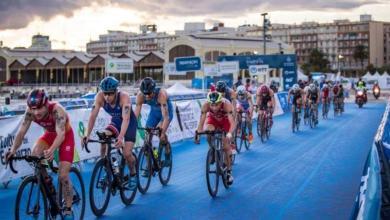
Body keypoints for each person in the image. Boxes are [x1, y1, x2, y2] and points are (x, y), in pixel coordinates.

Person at [6, 89, 77, 219]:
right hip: (50, 135)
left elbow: (61, 135)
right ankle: (49, 185)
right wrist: (12, 150)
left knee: (63, 175)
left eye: (39, 108)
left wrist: (51, 150)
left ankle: (68, 209)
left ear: (46, 104)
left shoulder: (57, 110)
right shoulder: (30, 112)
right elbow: (21, 132)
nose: (36, 112)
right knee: (35, 154)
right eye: (33, 109)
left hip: (65, 136)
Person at [83, 76, 138, 188]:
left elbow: (126, 119)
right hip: (117, 121)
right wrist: (87, 135)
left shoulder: (124, 97)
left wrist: (121, 137)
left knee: (127, 153)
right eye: (105, 93)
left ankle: (133, 173)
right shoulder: (99, 97)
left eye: (110, 94)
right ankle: (106, 167)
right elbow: (93, 116)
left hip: (129, 122)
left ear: (116, 92)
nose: (107, 97)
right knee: (103, 137)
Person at [195, 91, 235, 185]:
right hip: (213, 120)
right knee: (208, 131)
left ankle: (229, 172)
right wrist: (198, 133)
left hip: (225, 121)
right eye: (212, 105)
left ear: (220, 102)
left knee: (225, 146)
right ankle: (212, 149)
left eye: (216, 105)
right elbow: (202, 122)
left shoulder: (227, 105)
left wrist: (229, 133)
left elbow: (232, 123)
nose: (214, 107)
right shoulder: (205, 106)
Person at [134, 77, 173, 166]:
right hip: (154, 113)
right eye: (145, 94)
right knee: (147, 139)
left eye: (149, 94)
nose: (147, 96)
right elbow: (136, 114)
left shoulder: (161, 95)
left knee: (161, 135)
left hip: (166, 113)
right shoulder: (140, 96)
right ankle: (149, 165)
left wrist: (162, 132)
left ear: (154, 90)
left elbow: (166, 117)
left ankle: (167, 153)